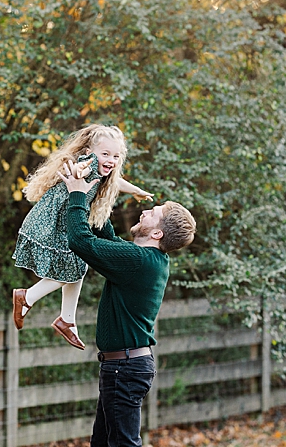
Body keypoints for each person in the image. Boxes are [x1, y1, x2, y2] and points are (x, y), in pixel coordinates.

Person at [58, 159, 196, 447]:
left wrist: (76, 196)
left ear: (157, 233)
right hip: (123, 367)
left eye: (153, 214)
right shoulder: (146, 259)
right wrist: (95, 191)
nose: (145, 211)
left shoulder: (139, 261)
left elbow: (81, 241)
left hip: (125, 368)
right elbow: (103, 235)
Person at [11, 125, 152, 349]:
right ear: (90, 151)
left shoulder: (105, 171)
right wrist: (78, 172)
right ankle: (27, 297)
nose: (111, 160)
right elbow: (80, 168)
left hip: (61, 223)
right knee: (72, 269)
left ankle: (67, 319)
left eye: (116, 156)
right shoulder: (88, 164)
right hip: (54, 224)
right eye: (105, 154)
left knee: (79, 265)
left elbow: (116, 182)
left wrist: (136, 190)